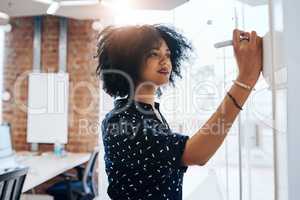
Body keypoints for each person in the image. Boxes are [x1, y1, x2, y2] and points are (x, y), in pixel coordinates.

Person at [95, 24, 262, 200]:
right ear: (129, 60)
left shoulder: (151, 112)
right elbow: (196, 154)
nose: (164, 60)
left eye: (167, 54)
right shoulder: (121, 120)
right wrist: (246, 79)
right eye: (153, 54)